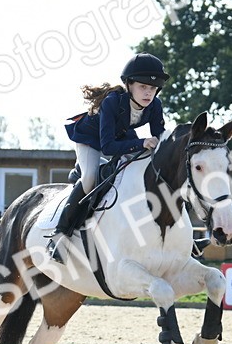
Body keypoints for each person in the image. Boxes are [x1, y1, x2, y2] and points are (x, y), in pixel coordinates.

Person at [51, 52, 169, 257]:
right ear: (129, 85)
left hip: (121, 137)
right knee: (89, 178)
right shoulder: (113, 101)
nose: (148, 93)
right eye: (143, 86)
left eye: (152, 88)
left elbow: (160, 135)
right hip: (91, 139)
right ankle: (60, 235)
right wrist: (142, 142)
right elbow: (107, 147)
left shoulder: (154, 105)